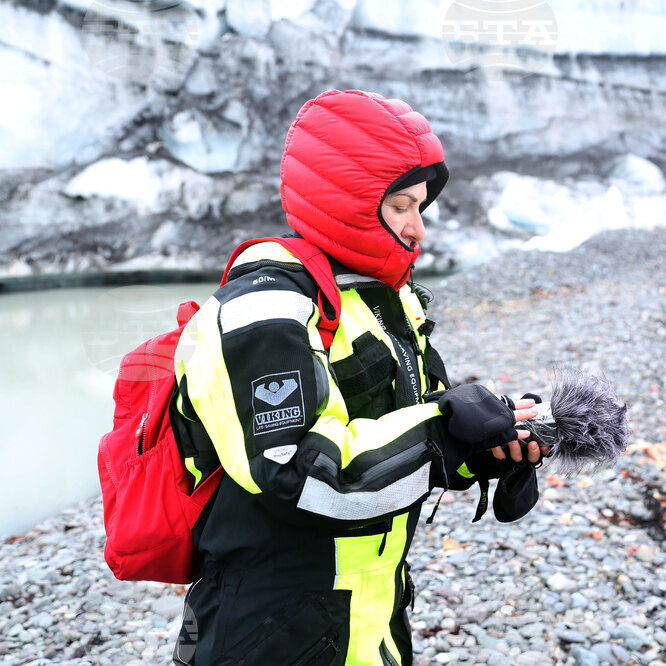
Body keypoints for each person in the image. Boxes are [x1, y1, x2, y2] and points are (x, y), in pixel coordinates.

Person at [169, 89, 548, 665]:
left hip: (371, 613)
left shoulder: (380, 305)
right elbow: (299, 475)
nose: (417, 230)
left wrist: (483, 448)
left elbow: (404, 436)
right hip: (270, 629)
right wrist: (445, 436)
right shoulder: (261, 312)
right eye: (400, 205)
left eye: (420, 208)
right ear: (345, 199)